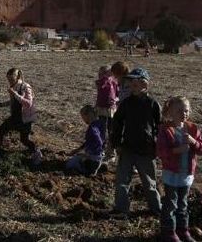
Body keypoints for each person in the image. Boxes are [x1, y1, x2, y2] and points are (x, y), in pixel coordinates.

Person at [111, 67, 162, 216]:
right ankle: (121, 209)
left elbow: (159, 127)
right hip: (127, 148)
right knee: (122, 181)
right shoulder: (126, 104)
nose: (131, 85)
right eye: (130, 82)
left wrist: (158, 146)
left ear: (144, 85)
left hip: (146, 150)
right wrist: (117, 143)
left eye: (135, 83)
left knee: (149, 182)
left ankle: (156, 208)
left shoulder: (152, 104)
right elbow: (117, 123)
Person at [157, 97, 202, 242]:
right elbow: (160, 151)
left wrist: (194, 142)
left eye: (186, 110)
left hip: (186, 175)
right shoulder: (166, 129)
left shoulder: (193, 128)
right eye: (179, 110)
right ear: (170, 112)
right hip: (172, 174)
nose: (183, 113)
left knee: (183, 204)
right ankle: (168, 231)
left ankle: (183, 230)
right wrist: (176, 150)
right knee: (171, 203)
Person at [0, 68, 42, 165]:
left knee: (24, 140)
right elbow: (14, 101)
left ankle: (37, 154)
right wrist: (0, 105)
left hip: (25, 118)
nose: (9, 81)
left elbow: (28, 104)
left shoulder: (25, 87)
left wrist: (14, 94)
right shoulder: (14, 86)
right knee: (1, 130)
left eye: (11, 79)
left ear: (17, 77)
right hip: (15, 117)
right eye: (8, 79)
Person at [65, 105, 105, 176]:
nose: (83, 120)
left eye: (82, 117)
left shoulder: (92, 128)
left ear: (87, 115)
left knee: (69, 164)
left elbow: (98, 142)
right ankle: (96, 167)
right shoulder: (100, 123)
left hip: (92, 160)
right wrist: (77, 150)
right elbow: (95, 142)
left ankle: (86, 170)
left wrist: (87, 155)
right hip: (99, 157)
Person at [95, 65, 118, 161]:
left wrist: (115, 100)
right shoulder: (101, 82)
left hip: (112, 109)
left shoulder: (114, 83)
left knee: (112, 130)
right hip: (102, 109)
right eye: (102, 73)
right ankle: (101, 150)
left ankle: (111, 153)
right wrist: (105, 77)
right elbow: (101, 85)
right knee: (102, 130)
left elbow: (118, 94)